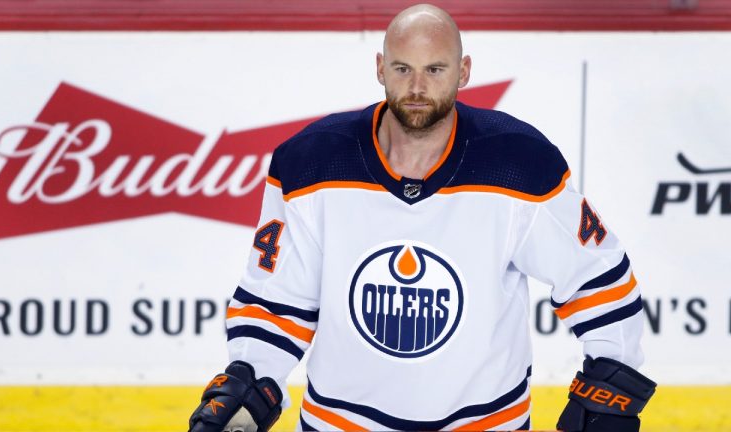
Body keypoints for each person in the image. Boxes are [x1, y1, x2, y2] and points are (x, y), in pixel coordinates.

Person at [188, 3, 656, 431]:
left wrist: (612, 382)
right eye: (402, 69)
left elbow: (597, 277)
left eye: (435, 69)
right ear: (379, 68)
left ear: (463, 71)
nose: (416, 87)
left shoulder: (520, 164)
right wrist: (252, 379)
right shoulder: (310, 164)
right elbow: (278, 301)